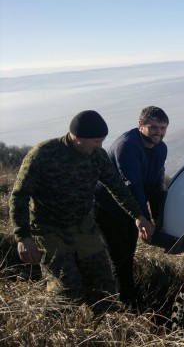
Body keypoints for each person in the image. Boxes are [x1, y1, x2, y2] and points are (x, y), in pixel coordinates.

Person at [10, 110, 155, 306]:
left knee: (104, 288)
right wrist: (23, 236)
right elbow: (19, 195)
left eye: (102, 141)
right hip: (49, 230)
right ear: (78, 138)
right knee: (68, 289)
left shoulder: (97, 156)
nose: (100, 146)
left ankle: (104, 330)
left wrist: (138, 215)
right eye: (96, 141)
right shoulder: (43, 155)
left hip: (84, 227)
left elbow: (117, 187)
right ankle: (65, 331)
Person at [94, 106, 169, 308]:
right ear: (140, 125)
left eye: (163, 128)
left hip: (131, 210)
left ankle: (124, 294)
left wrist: (159, 220)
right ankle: (127, 304)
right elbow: (132, 185)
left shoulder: (161, 148)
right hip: (108, 209)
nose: (158, 132)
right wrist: (142, 218)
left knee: (128, 253)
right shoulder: (127, 146)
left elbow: (155, 185)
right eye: (153, 127)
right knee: (120, 257)